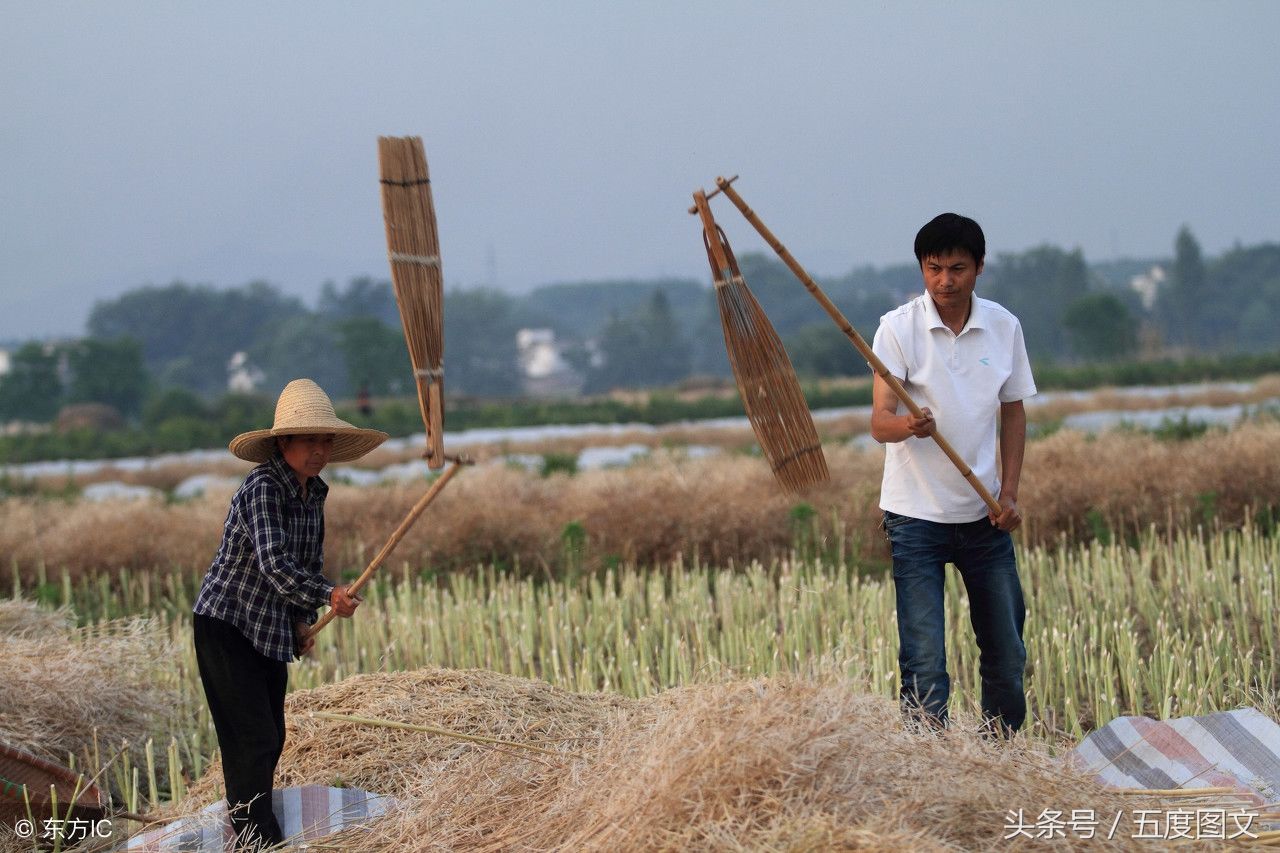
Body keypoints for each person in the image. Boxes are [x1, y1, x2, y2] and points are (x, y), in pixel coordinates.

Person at [192, 378, 388, 848]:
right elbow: (275, 564)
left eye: (326, 440)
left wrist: (301, 619)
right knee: (251, 737)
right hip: (227, 624)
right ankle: (258, 838)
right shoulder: (262, 487)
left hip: (266, 627)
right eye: (309, 440)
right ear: (283, 442)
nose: (319, 450)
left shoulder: (314, 492)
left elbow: (306, 563)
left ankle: (252, 825)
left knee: (272, 734)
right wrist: (329, 595)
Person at [870, 213, 1036, 736]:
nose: (945, 280)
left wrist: (1007, 492)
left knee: (1007, 655)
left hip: (984, 515)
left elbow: (1014, 411)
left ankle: (1001, 758)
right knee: (924, 662)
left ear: (979, 268)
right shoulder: (897, 328)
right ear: (921, 268)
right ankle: (929, 772)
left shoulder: (1004, 327)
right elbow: (878, 423)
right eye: (933, 268)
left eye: (957, 269)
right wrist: (909, 426)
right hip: (915, 518)